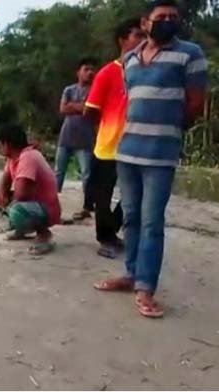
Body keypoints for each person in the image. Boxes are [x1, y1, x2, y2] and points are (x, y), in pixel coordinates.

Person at [95, 0, 208, 319]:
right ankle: (131, 274)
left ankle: (146, 288)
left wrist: (168, 128)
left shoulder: (190, 54)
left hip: (161, 153)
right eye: (161, 17)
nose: (169, 21)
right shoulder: (130, 60)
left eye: (174, 17)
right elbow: (133, 101)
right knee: (130, 217)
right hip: (127, 150)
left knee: (151, 221)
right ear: (145, 23)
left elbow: (195, 104)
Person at [85, 18, 146, 259]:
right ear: (122, 40)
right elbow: (90, 109)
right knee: (103, 195)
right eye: (137, 36)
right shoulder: (107, 73)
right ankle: (105, 238)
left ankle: (111, 231)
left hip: (136, 145)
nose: (142, 41)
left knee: (134, 194)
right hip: (108, 146)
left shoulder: (144, 71)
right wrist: (105, 129)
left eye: (144, 36)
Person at [0, 123, 61, 255]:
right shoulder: (13, 158)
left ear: (7, 144)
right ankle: (21, 229)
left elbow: (21, 194)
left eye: (0, 144)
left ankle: (44, 234)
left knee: (16, 210)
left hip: (46, 209)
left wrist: (6, 200)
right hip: (33, 203)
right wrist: (1, 195)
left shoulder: (28, 157)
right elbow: (3, 184)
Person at [55, 58, 97, 221]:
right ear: (78, 72)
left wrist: (73, 106)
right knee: (59, 171)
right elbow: (63, 109)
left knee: (87, 174)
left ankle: (87, 206)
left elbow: (89, 111)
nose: (90, 72)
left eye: (92, 69)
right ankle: (52, 200)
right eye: (86, 69)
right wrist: (79, 106)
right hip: (66, 136)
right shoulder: (69, 89)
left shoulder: (95, 90)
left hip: (86, 139)